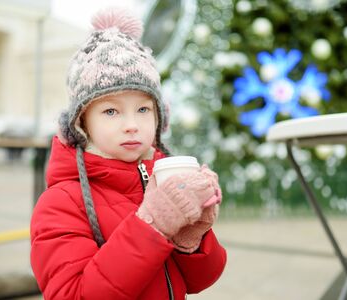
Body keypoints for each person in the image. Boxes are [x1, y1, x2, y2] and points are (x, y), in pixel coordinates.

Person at [30, 8, 226, 300]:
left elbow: (199, 281)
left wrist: (193, 238)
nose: (132, 125)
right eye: (111, 111)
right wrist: (151, 225)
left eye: (144, 109)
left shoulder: (160, 180)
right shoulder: (61, 203)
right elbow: (72, 294)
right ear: (81, 122)